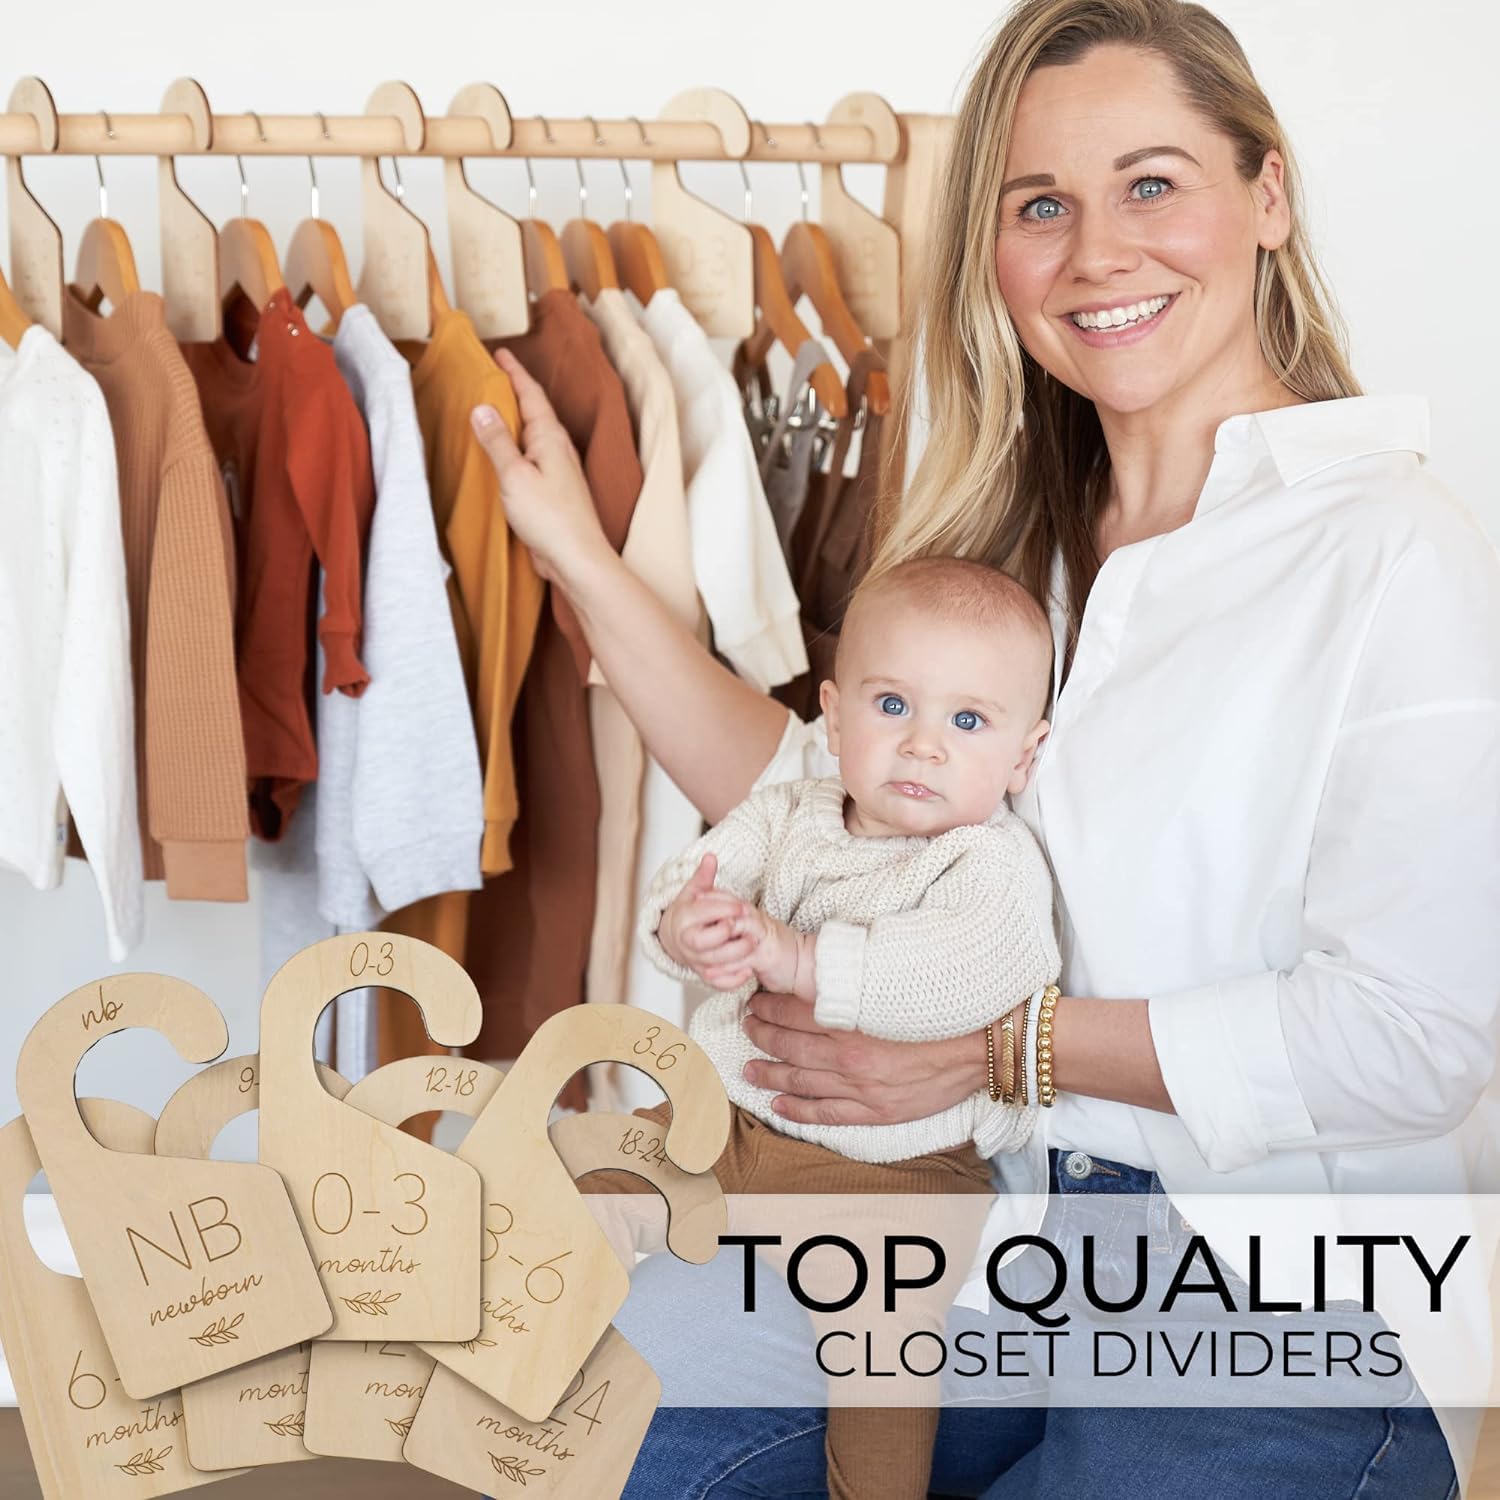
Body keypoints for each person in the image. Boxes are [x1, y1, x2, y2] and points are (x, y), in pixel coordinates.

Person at [468, 0, 1500, 1492]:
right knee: (596, 1447)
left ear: (1267, 195)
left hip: (1267, 1288)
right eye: (1041, 206)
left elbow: (1415, 1039)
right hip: (979, 1226)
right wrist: (574, 551)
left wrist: (989, 1045)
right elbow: (817, 785)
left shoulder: (1392, 552)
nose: (1098, 253)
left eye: (1152, 184)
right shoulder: (1009, 549)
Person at [618, 557, 1058, 1499]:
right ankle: (496, 1346)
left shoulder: (991, 864)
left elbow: (953, 979)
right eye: (893, 705)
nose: (923, 746)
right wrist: (687, 929)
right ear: (834, 716)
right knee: (583, 1174)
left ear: (1024, 757)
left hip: (891, 1178)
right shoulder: (787, 814)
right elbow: (700, 876)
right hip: (729, 1125)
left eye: (968, 722)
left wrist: (795, 958)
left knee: (884, 1360)